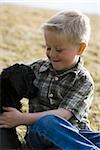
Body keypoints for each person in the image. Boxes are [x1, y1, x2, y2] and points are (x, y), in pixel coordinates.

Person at [0, 10, 100, 150]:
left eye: (59, 50)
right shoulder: (37, 68)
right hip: (39, 134)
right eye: (48, 48)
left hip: (76, 134)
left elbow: (63, 115)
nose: (52, 54)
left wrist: (20, 119)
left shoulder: (83, 81)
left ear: (80, 48)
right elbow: (10, 81)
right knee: (47, 123)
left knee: (95, 137)